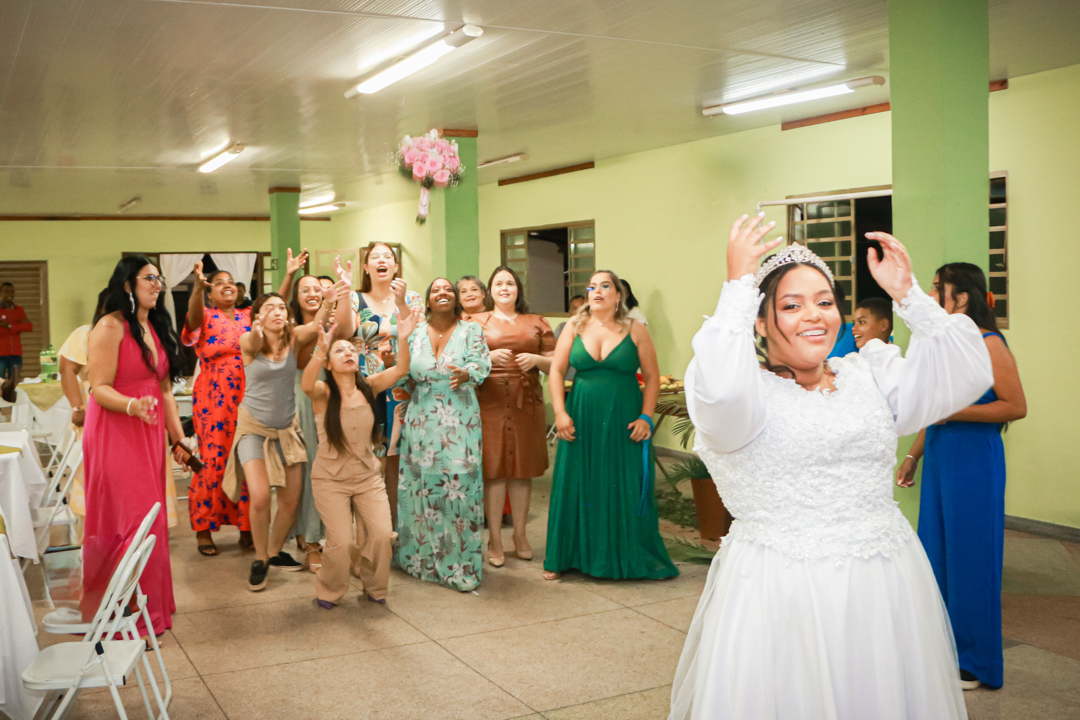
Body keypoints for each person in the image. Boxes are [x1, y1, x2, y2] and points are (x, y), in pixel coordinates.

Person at [668, 216, 995, 719]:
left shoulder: (870, 373)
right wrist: (737, 284)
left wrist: (909, 296)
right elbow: (719, 386)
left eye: (825, 302)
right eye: (791, 305)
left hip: (884, 579)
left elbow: (966, 374)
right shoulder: (744, 398)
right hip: (783, 589)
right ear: (758, 322)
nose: (815, 316)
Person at [896, 262, 1027, 691]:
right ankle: (945, 649)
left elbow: (1014, 406)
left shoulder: (988, 342)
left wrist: (950, 412)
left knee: (971, 557)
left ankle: (977, 661)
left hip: (973, 457)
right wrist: (914, 455)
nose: (932, 296)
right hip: (940, 454)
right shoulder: (947, 343)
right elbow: (931, 403)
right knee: (938, 554)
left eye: (938, 289)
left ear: (962, 298)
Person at [543, 270, 677, 581]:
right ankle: (566, 556)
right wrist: (560, 413)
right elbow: (556, 371)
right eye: (592, 286)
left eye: (606, 286)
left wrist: (646, 416)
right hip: (581, 415)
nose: (597, 291)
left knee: (621, 483)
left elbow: (653, 376)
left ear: (618, 296)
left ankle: (620, 555)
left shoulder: (636, 329)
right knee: (577, 481)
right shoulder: (573, 328)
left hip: (623, 416)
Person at [81, 256, 189, 635]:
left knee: (152, 520)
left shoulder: (152, 326)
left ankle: (152, 605)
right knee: (131, 522)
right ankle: (129, 612)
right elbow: (99, 388)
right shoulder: (110, 327)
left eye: (159, 278)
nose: (157, 284)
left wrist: (179, 439)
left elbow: (164, 389)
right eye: (149, 278)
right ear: (128, 285)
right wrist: (132, 406)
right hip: (116, 430)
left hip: (147, 429)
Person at [182, 251, 304, 556]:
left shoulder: (248, 316)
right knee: (213, 459)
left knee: (250, 463)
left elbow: (274, 307)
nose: (227, 286)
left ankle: (247, 528)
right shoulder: (206, 316)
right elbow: (193, 318)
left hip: (249, 396)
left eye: (231, 282)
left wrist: (289, 275)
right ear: (209, 293)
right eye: (218, 283)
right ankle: (204, 528)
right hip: (213, 397)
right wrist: (197, 287)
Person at [224, 286, 340, 592]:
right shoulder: (249, 342)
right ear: (258, 315)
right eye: (270, 307)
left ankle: (274, 550)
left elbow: (317, 325)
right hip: (253, 429)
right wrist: (258, 330)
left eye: (281, 307)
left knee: (290, 500)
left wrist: (328, 302)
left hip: (287, 428)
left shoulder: (292, 337)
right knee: (260, 496)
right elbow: (250, 339)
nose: (278, 311)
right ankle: (260, 559)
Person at [302, 309, 419, 608]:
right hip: (330, 479)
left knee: (381, 535)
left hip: (367, 476)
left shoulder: (370, 385)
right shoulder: (323, 393)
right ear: (329, 363)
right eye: (339, 351)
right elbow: (305, 384)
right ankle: (330, 588)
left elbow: (402, 368)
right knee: (340, 542)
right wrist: (321, 347)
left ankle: (375, 586)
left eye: (351, 350)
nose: (347, 353)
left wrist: (403, 338)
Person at [391, 278, 491, 592]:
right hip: (421, 420)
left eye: (449, 289)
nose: (443, 293)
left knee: (459, 489)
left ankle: (459, 565)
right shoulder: (416, 333)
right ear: (428, 301)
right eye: (436, 290)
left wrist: (468, 372)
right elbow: (403, 369)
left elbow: (482, 362)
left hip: (460, 418)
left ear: (457, 299)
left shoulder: (471, 330)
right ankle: (418, 561)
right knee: (422, 489)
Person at [467, 267, 555, 566]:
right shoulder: (473, 321)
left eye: (510, 283)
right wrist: (486, 358)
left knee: (522, 470)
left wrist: (537, 359)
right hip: (487, 402)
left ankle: (520, 534)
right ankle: (494, 538)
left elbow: (558, 363)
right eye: (498, 283)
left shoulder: (536, 323)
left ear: (518, 289)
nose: (504, 288)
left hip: (526, 403)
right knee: (493, 471)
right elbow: (459, 359)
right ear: (489, 291)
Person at [348, 243, 425, 529]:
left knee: (397, 464)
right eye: (374, 257)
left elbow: (419, 331)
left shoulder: (412, 298)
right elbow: (345, 331)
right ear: (366, 267)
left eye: (388, 257)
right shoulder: (355, 299)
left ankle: (393, 531)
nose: (382, 260)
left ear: (395, 267)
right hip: (366, 386)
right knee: (367, 462)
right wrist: (390, 332)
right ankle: (367, 532)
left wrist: (400, 306)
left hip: (403, 388)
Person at [286, 274, 336, 572]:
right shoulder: (290, 328)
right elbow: (304, 336)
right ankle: (311, 542)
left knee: (327, 469)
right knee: (306, 471)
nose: (312, 293)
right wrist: (327, 304)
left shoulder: (333, 326)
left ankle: (318, 536)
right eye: (305, 290)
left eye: (318, 289)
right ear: (296, 296)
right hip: (299, 401)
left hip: (329, 399)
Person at [58, 290, 108, 521]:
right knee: (95, 467)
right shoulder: (86, 333)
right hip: (94, 406)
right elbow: (67, 368)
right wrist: (77, 407)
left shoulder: (136, 332)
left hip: (128, 407)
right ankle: (93, 521)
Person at [0, 282, 32, 386]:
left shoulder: (19, 309)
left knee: (14, 385)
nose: (10, 294)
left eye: (12, 291)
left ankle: (13, 403)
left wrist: (9, 326)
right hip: (1, 355)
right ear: (1, 293)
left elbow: (29, 327)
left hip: (16, 354)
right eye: (6, 291)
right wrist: (17, 327)